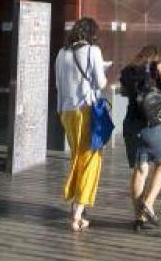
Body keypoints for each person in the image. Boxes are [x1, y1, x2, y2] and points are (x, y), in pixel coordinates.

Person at [54, 18, 108, 232]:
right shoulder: (93, 51)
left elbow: (58, 85)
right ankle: (77, 213)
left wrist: (60, 112)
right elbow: (102, 83)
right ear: (91, 33)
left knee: (77, 158)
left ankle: (77, 205)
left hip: (66, 112)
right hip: (86, 111)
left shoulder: (61, 54)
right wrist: (103, 69)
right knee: (91, 159)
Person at [119, 45, 161, 233]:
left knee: (140, 169)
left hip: (131, 124)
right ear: (155, 55)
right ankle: (149, 202)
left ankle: (139, 218)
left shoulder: (128, 69)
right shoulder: (155, 66)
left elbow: (123, 92)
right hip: (151, 124)